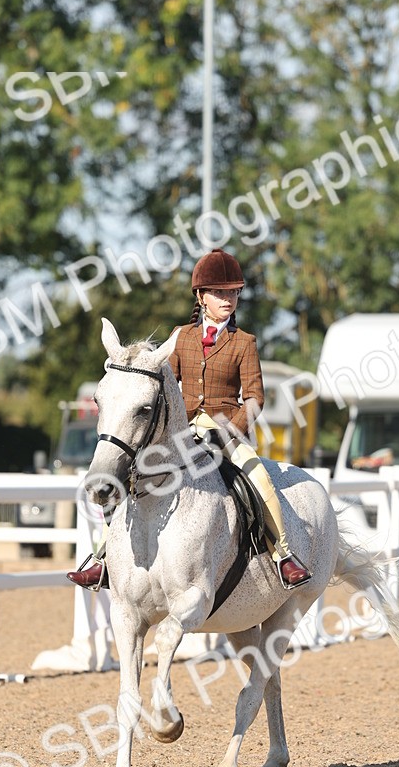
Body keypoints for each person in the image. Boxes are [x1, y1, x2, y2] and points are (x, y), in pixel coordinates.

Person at [67, 247, 312, 590]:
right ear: (201, 296)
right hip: (183, 429)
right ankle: (103, 558)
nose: (228, 299)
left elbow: (255, 398)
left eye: (233, 292)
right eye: (220, 293)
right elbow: (166, 385)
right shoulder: (180, 336)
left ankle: (283, 555)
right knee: (136, 479)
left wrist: (230, 432)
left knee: (260, 480)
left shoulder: (244, 342)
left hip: (226, 431)